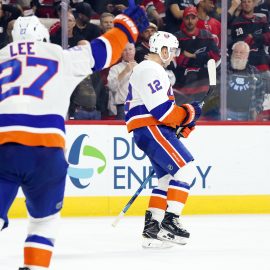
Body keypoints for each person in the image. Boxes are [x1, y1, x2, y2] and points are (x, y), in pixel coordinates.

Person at [0, 4, 149, 269]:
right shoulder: (60, 56)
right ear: (43, 37)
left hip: (3, 147)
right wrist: (127, 26)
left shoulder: (1, 57)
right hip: (46, 152)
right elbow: (106, 50)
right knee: (43, 222)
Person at [125, 31, 202, 248]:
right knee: (186, 170)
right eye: (173, 50)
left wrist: (182, 124)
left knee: (167, 179)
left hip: (149, 129)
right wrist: (189, 114)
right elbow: (162, 111)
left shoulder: (148, 69)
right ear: (163, 50)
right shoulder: (151, 69)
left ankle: (152, 231)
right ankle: (171, 221)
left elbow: (165, 114)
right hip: (150, 128)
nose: (175, 55)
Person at [173, 6, 220, 118]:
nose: (190, 21)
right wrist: (202, 57)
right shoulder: (177, 37)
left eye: (193, 18)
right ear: (183, 19)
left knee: (204, 115)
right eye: (187, 18)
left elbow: (215, 56)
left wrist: (193, 56)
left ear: (197, 18)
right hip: (183, 83)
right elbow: (177, 60)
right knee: (185, 116)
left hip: (203, 81)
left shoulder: (206, 35)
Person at [226, 41, 265, 120]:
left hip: (248, 114)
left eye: (241, 52)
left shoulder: (254, 72)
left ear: (247, 55)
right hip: (226, 113)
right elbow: (215, 92)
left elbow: (260, 93)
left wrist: (257, 110)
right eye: (236, 52)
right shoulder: (223, 70)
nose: (238, 54)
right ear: (232, 53)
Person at [107, 42, 137, 119]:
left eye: (130, 49)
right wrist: (125, 71)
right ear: (121, 53)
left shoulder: (142, 67)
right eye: (124, 50)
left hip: (140, 107)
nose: (128, 52)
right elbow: (111, 86)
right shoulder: (115, 69)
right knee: (123, 131)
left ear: (134, 51)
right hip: (123, 107)